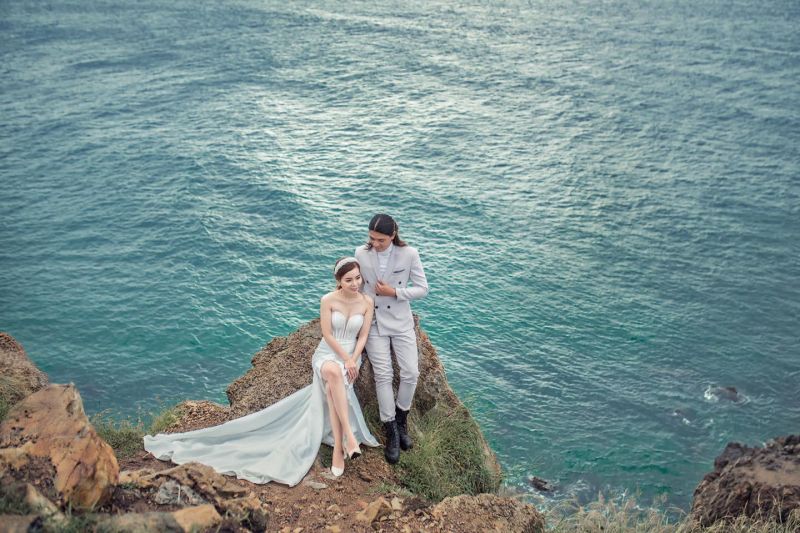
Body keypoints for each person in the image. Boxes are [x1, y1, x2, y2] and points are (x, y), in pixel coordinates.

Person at [144, 258, 379, 484]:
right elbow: (327, 334)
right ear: (339, 281)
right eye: (349, 280)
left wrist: (352, 359)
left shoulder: (367, 302)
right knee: (334, 374)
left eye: (358, 278)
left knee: (331, 388)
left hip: (351, 355)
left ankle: (340, 448)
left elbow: (364, 335)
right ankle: (349, 438)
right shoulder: (328, 300)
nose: (355, 283)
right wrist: (344, 358)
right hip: (327, 353)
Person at [355, 214, 428, 464]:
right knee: (383, 375)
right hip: (374, 321)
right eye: (371, 238)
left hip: (400, 321)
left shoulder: (409, 254)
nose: (374, 244)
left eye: (380, 240)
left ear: (392, 235)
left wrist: (394, 292)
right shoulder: (361, 253)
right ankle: (391, 430)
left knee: (411, 373)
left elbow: (422, 288)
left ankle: (401, 419)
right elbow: (358, 286)